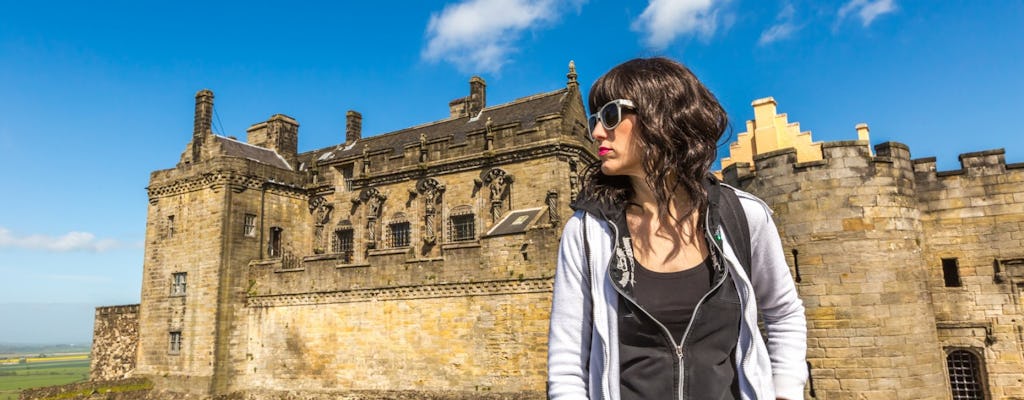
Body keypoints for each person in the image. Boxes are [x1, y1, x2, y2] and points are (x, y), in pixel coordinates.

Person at [547, 57, 807, 400]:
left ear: (663, 116)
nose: (596, 131)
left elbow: (783, 311)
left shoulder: (743, 215)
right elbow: (567, 361)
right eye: (594, 119)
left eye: (610, 115)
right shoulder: (587, 232)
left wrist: (786, 390)